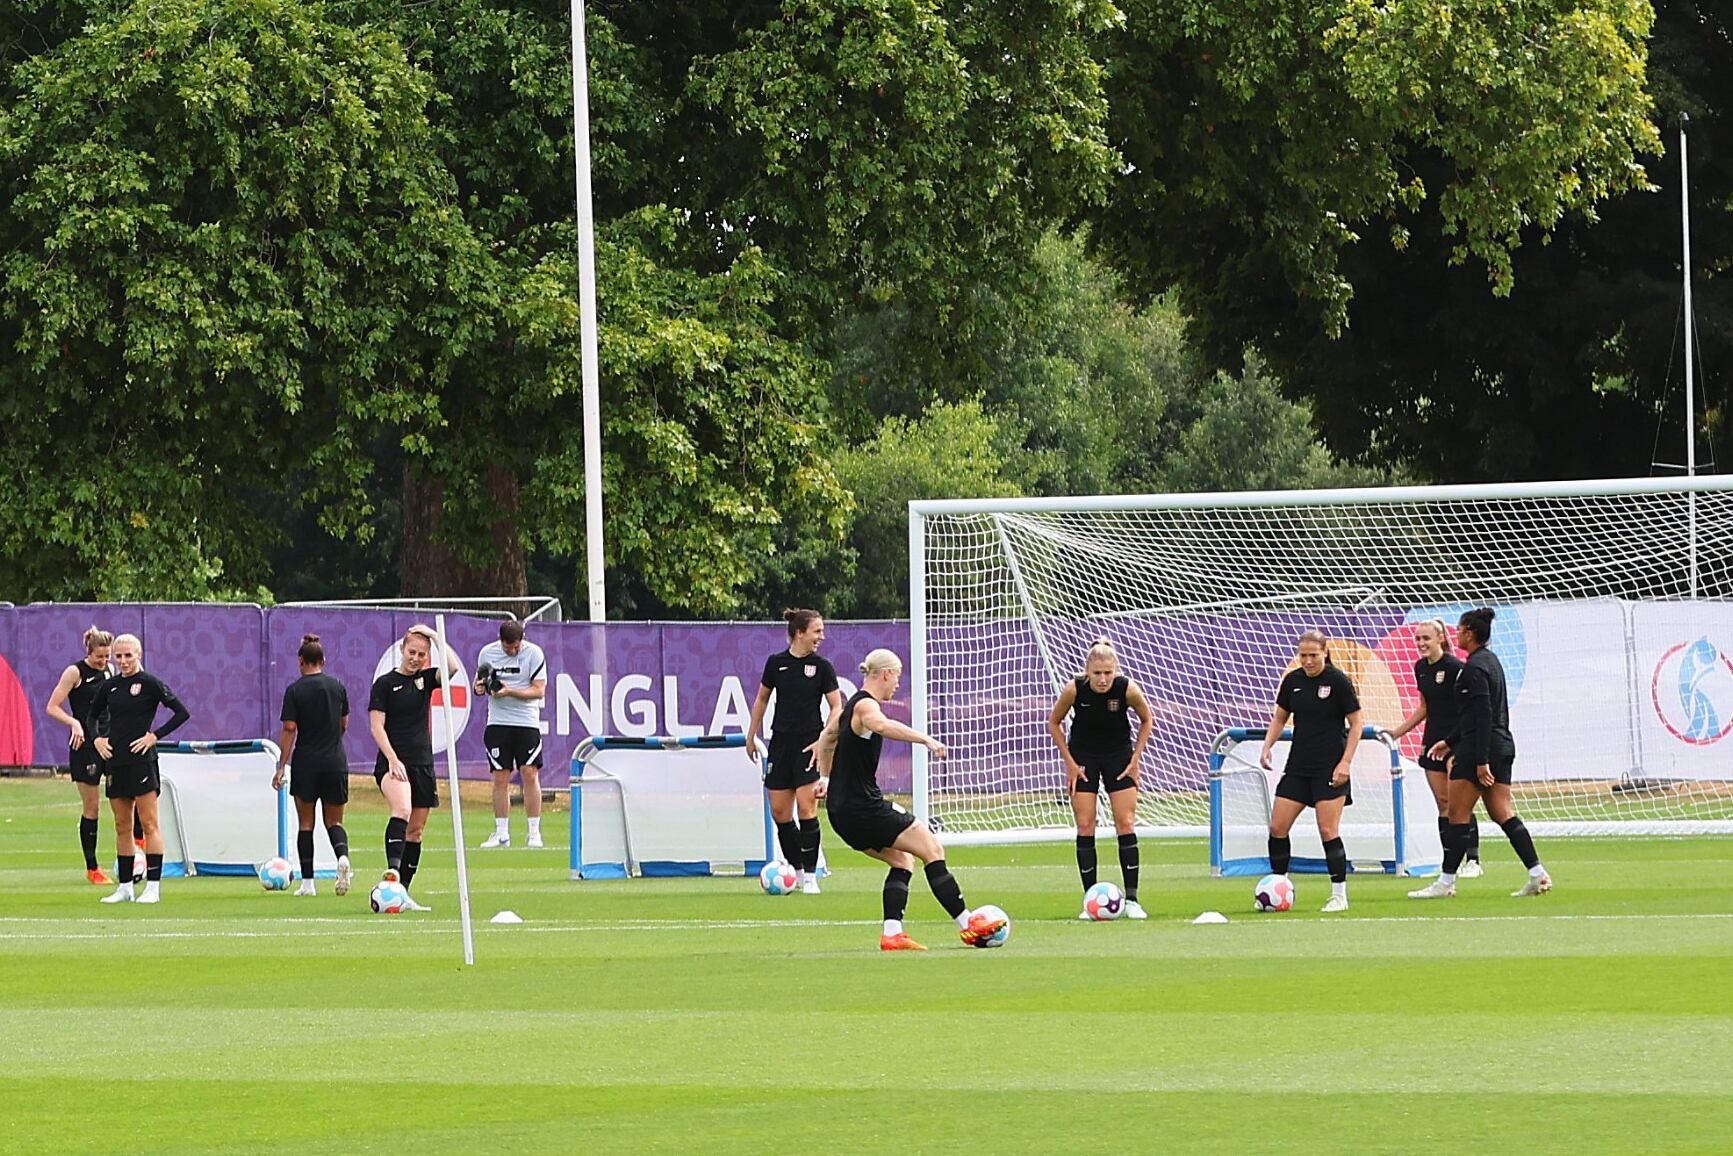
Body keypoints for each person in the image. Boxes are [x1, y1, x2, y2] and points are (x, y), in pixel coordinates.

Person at [813, 648, 1006, 950]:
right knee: (931, 847)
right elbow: (882, 725)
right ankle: (968, 924)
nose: (898, 685)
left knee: (903, 859)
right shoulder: (866, 706)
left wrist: (825, 778)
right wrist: (925, 739)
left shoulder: (850, 706)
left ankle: (892, 933)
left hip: (842, 812)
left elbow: (826, 738)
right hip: (862, 807)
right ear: (886, 673)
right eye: (897, 677)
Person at [1409, 607, 1553, 899]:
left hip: (1479, 749)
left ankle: (1446, 882)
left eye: (1460, 630)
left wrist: (1480, 759)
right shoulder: (1491, 661)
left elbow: (1482, 714)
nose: (1457, 635)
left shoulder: (1472, 668)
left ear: (1470, 633)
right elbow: (1477, 715)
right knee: (1502, 812)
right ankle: (1537, 873)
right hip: (1502, 744)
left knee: (1457, 815)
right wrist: (1449, 741)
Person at [1047, 638, 1154, 919]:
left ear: (1115, 670)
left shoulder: (1127, 689)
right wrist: (1069, 763)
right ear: (1087, 670)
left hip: (1119, 757)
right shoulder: (1074, 689)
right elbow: (1054, 722)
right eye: (1097, 673)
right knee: (1085, 824)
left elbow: (1147, 719)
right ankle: (1090, 898)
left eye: (1108, 672)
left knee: (1126, 822)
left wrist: (1136, 759)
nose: (1103, 679)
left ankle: (1132, 899)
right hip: (1084, 759)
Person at [1259, 630, 1363, 913]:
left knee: (1328, 829)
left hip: (1329, 767)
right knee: (1277, 827)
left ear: (1325, 653)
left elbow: (1356, 724)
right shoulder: (1292, 681)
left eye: (1313, 655)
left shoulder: (1338, 681)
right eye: (1303, 655)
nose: (1307, 661)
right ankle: (1280, 887)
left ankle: (1339, 894)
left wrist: (1346, 763)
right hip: (1298, 766)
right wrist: (1267, 746)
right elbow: (1280, 718)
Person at [745, 608, 843, 893]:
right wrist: (751, 736)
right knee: (779, 812)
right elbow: (762, 699)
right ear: (800, 632)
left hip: (809, 744)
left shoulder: (822, 667)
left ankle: (811, 876)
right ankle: (796, 870)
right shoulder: (776, 663)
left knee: (806, 807)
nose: (821, 637)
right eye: (817, 631)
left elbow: (837, 706)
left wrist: (824, 739)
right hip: (780, 743)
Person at [90, 634, 190, 904]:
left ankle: (153, 887)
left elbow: (181, 712)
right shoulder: (109, 686)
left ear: (139, 655)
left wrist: (153, 736)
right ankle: (125, 887)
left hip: (142, 762)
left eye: (128, 656)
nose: (123, 661)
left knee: (148, 824)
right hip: (116, 762)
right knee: (122, 825)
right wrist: (98, 739)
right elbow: (91, 716)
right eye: (119, 656)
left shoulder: (150, 683)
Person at [368, 624, 458, 911]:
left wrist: (433, 634)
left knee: (416, 831)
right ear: (402, 651)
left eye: (421, 654)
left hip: (422, 763)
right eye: (411, 652)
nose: (416, 658)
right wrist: (393, 759)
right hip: (394, 763)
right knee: (403, 810)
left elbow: (453, 667)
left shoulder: (425, 680)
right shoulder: (384, 684)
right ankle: (392, 873)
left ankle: (402, 893)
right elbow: (376, 726)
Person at [1385, 619, 1482, 877]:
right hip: (1432, 742)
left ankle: (1473, 860)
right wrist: (1397, 733)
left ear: (1440, 638)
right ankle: (1448, 863)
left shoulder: (1455, 667)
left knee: (1459, 803)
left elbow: (1468, 707)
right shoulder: (1420, 668)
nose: (1420, 644)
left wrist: (1453, 739)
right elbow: (1424, 708)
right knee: (1443, 804)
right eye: (1418, 639)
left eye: (1426, 638)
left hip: (1455, 742)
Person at [44, 626, 140, 885]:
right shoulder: (75, 672)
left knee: (129, 793)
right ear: (89, 652)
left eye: (108, 656)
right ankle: (92, 868)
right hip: (85, 746)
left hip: (110, 743)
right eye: (100, 657)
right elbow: (52, 707)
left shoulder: (110, 671)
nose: (105, 661)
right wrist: (74, 723)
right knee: (93, 806)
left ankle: (139, 848)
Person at [273, 634, 353, 897]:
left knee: (305, 823)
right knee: (334, 821)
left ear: (300, 661)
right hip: (335, 761)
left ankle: (308, 884)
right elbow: (344, 724)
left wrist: (281, 765)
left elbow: (289, 728)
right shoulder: (338, 686)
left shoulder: (295, 690)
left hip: (307, 762)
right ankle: (342, 857)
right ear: (323, 660)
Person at [474, 621, 549, 849]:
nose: (512, 651)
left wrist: (510, 691)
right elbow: (480, 682)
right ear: (500, 641)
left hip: (526, 722)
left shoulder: (534, 653)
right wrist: (480, 688)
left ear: (522, 639)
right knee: (500, 777)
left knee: (529, 773)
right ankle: (501, 833)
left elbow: (539, 690)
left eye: (515, 647)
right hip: (498, 722)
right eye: (508, 648)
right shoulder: (487, 653)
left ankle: (534, 832)